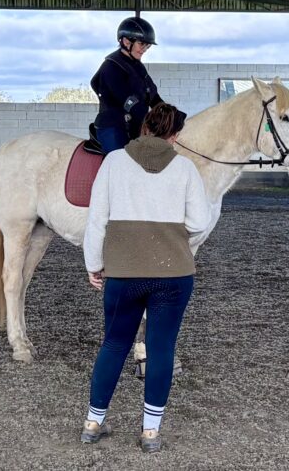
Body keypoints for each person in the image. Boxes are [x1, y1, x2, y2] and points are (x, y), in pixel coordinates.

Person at [80, 103, 211, 453]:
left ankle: (93, 422)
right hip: (174, 275)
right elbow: (199, 222)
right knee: (161, 348)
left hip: (124, 274)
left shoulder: (113, 162)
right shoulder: (185, 168)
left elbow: (97, 219)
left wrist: (94, 264)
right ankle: (150, 432)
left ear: (145, 127)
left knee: (114, 344)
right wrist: (178, 244)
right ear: (175, 135)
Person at [89, 16, 164, 154]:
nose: (144, 49)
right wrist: (151, 120)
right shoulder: (111, 67)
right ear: (126, 41)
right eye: (141, 44)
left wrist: (167, 113)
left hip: (134, 126)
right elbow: (127, 100)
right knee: (120, 162)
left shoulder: (137, 67)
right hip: (113, 127)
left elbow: (152, 95)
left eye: (147, 46)